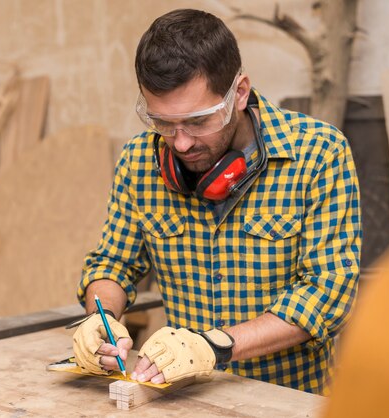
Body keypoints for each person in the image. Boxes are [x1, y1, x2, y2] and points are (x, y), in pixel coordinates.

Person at [71, 8, 361, 395]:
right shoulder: (139, 161)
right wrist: (101, 319)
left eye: (198, 121)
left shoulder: (319, 153)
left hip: (289, 399)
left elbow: (329, 291)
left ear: (239, 93)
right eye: (163, 123)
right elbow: (114, 263)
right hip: (185, 398)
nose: (181, 142)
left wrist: (214, 345)